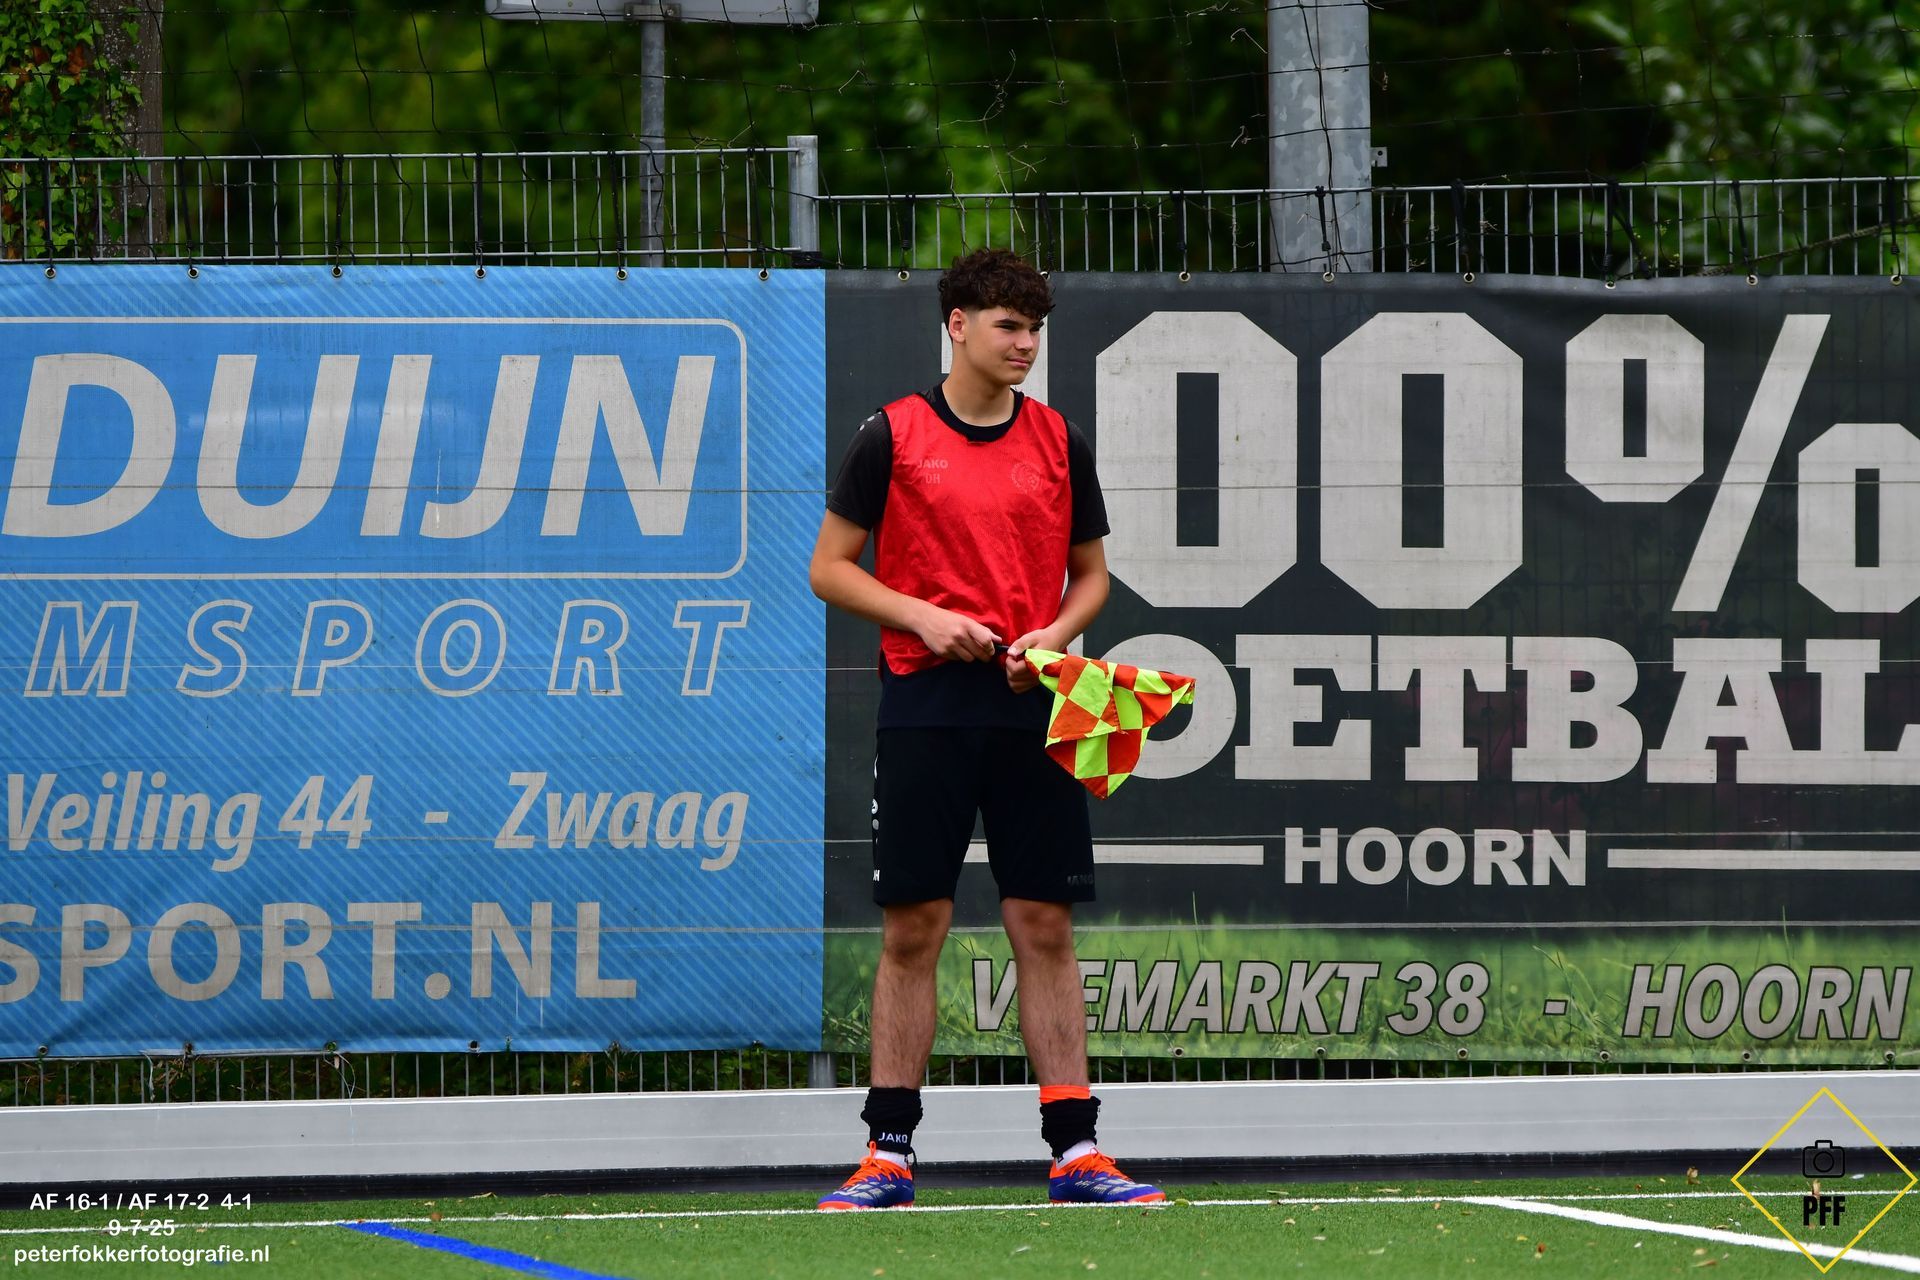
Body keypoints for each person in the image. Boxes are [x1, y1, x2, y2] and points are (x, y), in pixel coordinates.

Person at [807, 248, 1163, 1211]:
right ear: (957, 324)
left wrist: (1054, 635)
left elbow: (1092, 576)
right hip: (924, 707)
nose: (1026, 344)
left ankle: (1077, 1152)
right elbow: (830, 568)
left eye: (1035, 327)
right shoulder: (891, 433)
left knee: (1044, 924)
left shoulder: (1058, 439)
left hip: (1035, 705)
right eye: (1008, 325)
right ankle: (887, 1154)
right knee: (913, 928)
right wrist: (922, 617)